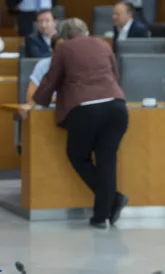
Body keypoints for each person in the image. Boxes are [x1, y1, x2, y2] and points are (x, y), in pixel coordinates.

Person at [31, 18, 129, 229]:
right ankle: (101, 216)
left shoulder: (64, 48)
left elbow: (51, 80)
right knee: (107, 161)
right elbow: (115, 75)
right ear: (85, 30)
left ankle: (114, 199)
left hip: (87, 109)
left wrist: (38, 102)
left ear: (64, 35)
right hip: (117, 107)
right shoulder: (103, 44)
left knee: (78, 155)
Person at [25, 34, 62, 104]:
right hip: (45, 110)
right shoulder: (43, 65)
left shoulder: (76, 66)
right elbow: (30, 97)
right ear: (52, 51)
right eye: (60, 49)